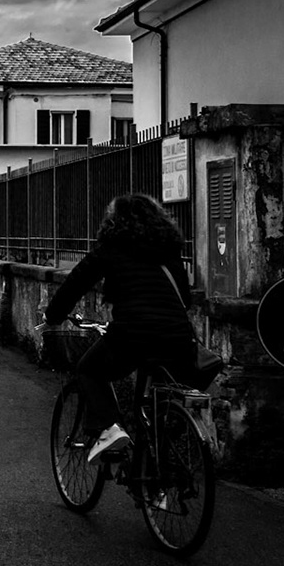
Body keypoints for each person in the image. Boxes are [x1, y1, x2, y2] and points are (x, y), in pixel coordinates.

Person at [44, 193, 198, 461]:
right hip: (178, 338)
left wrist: (53, 316)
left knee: (88, 369)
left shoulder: (112, 248)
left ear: (116, 222)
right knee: (154, 409)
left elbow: (76, 283)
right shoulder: (169, 252)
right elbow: (185, 298)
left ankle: (109, 429)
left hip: (134, 334)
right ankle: (156, 482)